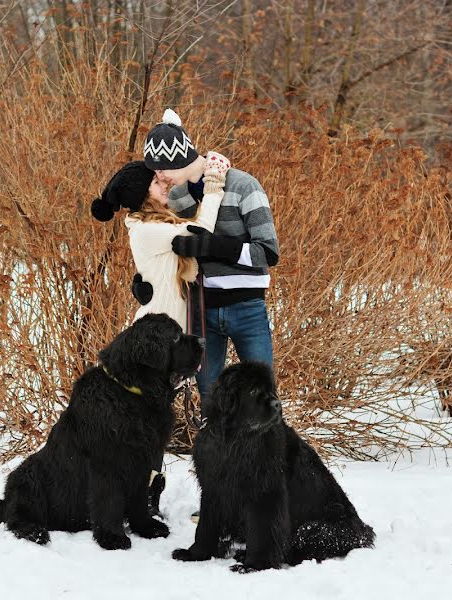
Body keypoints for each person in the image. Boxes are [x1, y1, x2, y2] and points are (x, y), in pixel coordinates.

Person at [90, 150, 231, 516]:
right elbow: (200, 231)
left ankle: (142, 494)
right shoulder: (149, 230)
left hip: (169, 338)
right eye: (156, 181)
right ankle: (140, 496)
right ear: (141, 195)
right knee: (148, 421)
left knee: (152, 420)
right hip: (156, 343)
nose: (164, 181)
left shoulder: (157, 224)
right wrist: (213, 184)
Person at [137, 109, 279, 412]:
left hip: (248, 309)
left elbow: (268, 252)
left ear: (181, 160)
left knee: (261, 397)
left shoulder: (243, 186)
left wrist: (217, 247)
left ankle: (262, 457)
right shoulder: (177, 199)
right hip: (202, 311)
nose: (160, 177)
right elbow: (171, 249)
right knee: (210, 402)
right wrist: (145, 279)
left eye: (163, 170)